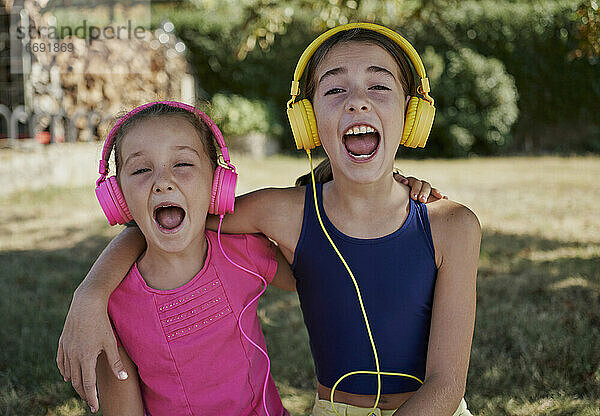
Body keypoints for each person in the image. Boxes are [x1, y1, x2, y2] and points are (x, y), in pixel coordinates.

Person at [58, 22, 478, 416]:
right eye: (335, 90)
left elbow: (446, 387)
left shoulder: (453, 226)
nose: (358, 100)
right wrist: (90, 294)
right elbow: (169, 224)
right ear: (309, 120)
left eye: (379, 85)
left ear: (412, 112)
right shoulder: (282, 212)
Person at [77, 101, 294, 416]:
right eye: (141, 169)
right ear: (118, 198)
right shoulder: (111, 307)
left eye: (183, 164)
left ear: (217, 184)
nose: (163, 181)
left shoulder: (242, 250)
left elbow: (309, 280)